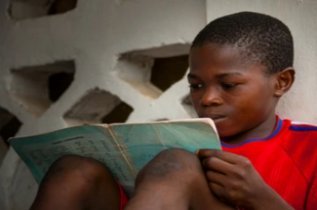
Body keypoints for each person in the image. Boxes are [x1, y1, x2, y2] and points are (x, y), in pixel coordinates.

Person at [30, 11, 317, 210]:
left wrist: (260, 198)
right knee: (75, 169)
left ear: (282, 81)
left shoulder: (309, 149)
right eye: (196, 85)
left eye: (228, 85)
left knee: (177, 165)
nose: (207, 98)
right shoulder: (178, 141)